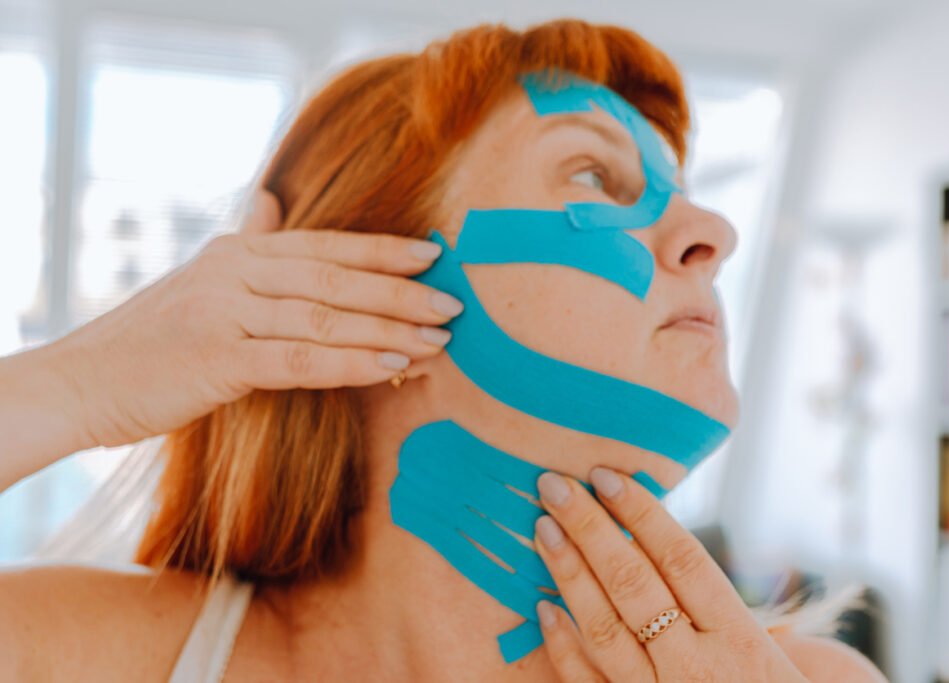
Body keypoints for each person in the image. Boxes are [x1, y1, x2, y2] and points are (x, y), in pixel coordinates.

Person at [0, 19, 886, 682]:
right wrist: (80, 385)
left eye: (680, 189)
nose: (713, 232)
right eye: (595, 175)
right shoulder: (87, 653)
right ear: (362, 295)